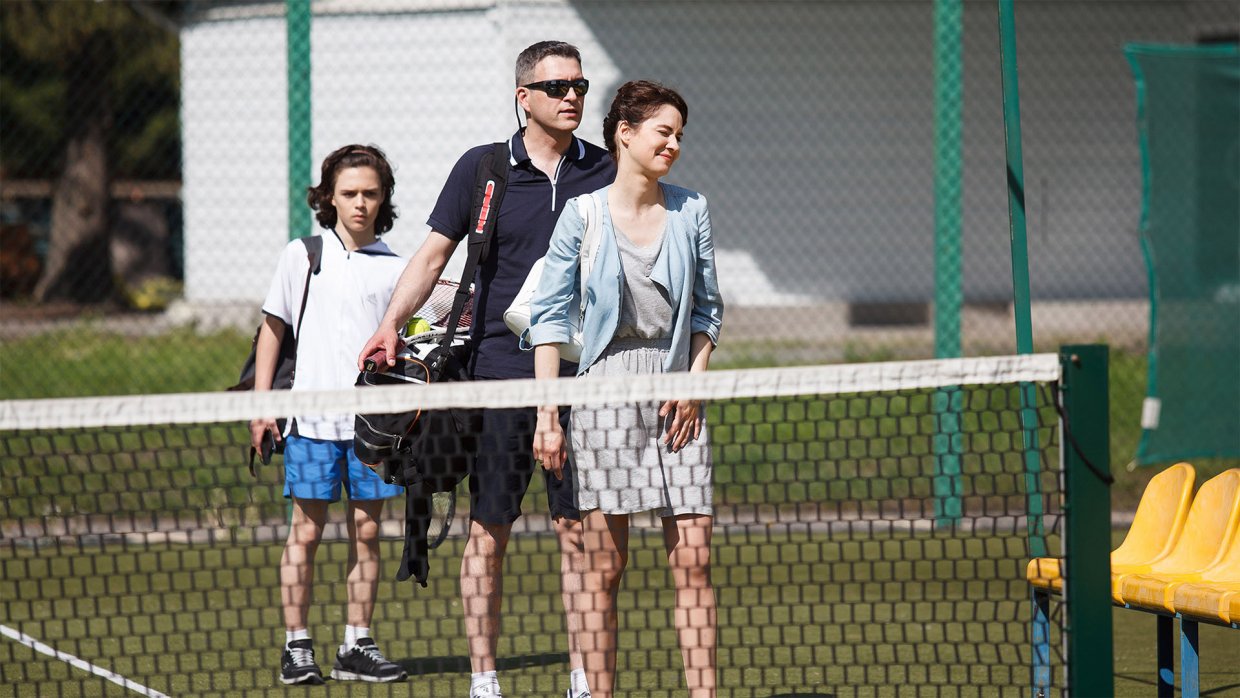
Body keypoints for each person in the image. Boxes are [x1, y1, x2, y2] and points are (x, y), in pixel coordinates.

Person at [357, 41, 615, 698]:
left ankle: (584, 678)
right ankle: (484, 680)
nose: (571, 96)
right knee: (489, 529)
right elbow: (431, 256)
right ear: (523, 97)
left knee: (576, 532)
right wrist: (390, 324)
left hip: (585, 380)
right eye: (556, 86)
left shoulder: (606, 170)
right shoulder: (483, 169)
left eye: (579, 85)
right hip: (496, 377)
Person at [527, 80, 724, 698]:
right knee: (604, 568)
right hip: (603, 396)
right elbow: (547, 320)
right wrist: (548, 416)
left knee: (694, 561)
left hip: (679, 397)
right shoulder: (581, 215)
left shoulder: (692, 210)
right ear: (626, 133)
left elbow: (708, 312)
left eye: (680, 135)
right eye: (664, 132)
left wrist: (692, 386)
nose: (674, 144)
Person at [250, 144, 410, 685]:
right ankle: (296, 646)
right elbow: (273, 330)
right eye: (349, 193)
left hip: (372, 430)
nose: (360, 203)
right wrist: (263, 406)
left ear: (383, 198)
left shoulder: (396, 268)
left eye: (370, 193)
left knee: (367, 532)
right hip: (311, 425)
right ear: (329, 197)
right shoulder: (302, 255)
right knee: (306, 533)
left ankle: (355, 644)